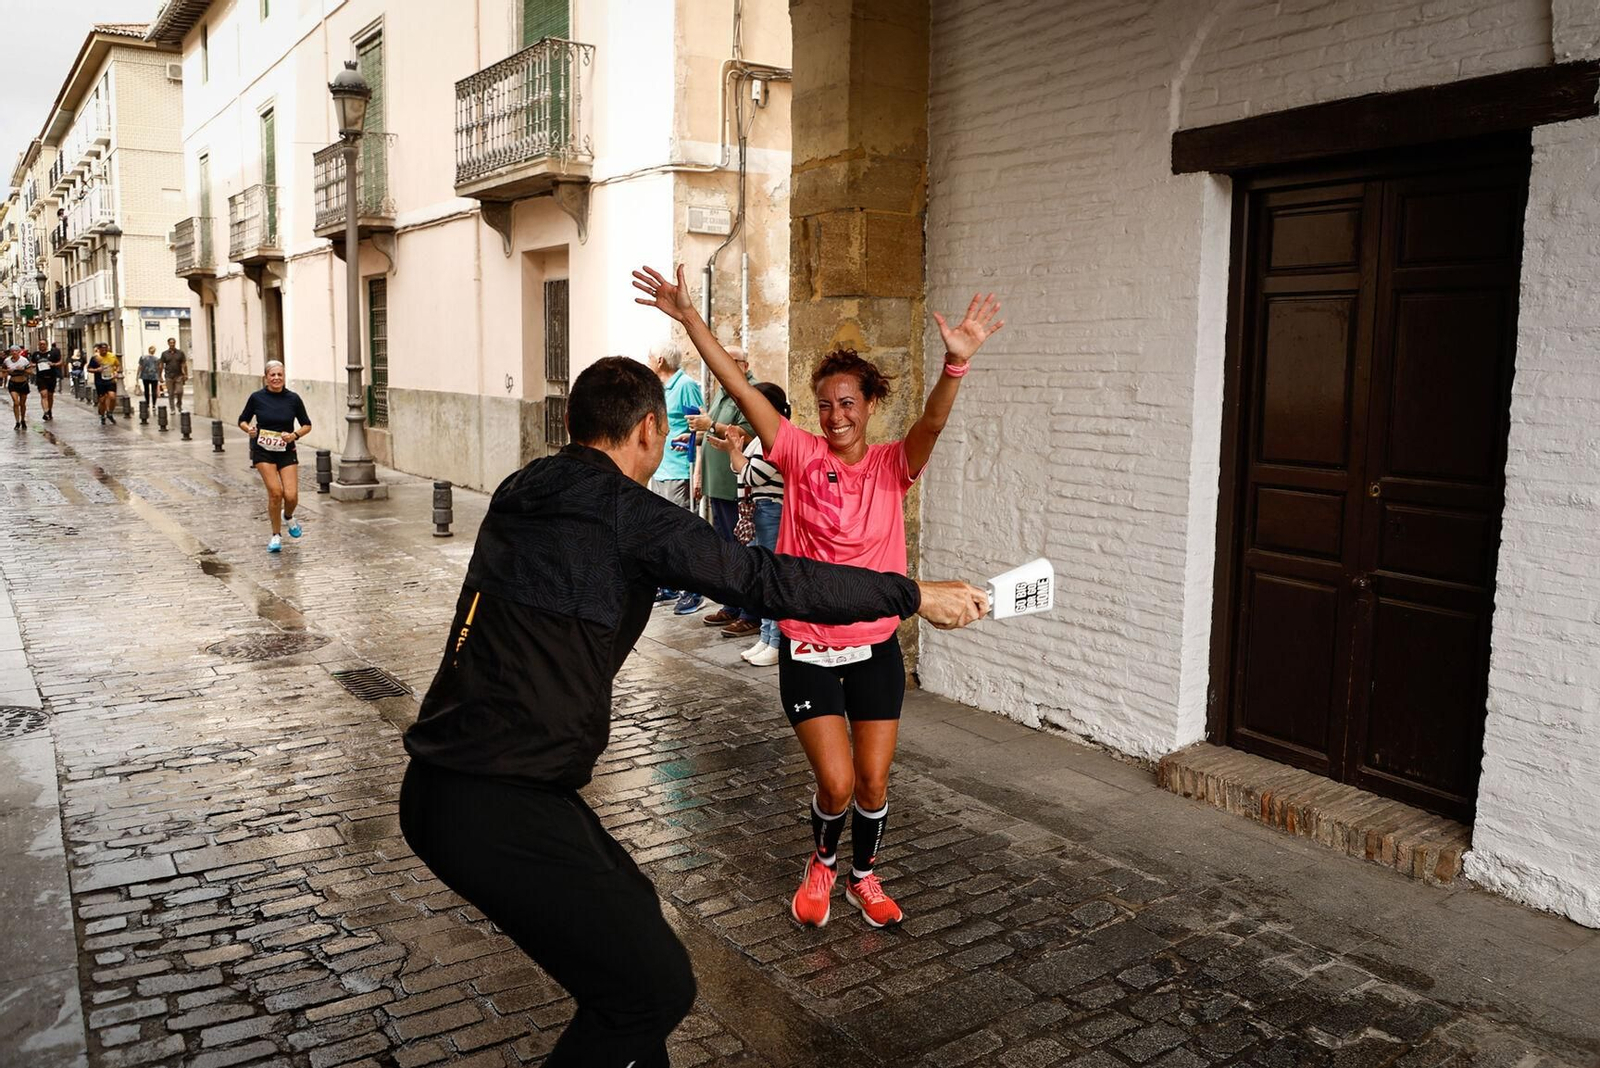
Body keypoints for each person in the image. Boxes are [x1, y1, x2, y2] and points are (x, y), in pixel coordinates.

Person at [399, 355, 987, 1068]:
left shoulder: (523, 487)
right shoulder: (630, 515)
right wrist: (911, 594)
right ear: (650, 429)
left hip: (448, 788)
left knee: (637, 926)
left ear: (573, 424)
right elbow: (766, 580)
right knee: (650, 992)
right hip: (495, 798)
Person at [635, 263, 1003, 929]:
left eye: (849, 404)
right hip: (809, 645)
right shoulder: (799, 455)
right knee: (835, 783)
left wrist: (955, 367)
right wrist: (690, 319)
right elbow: (741, 389)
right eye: (826, 404)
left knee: (873, 782)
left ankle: (862, 875)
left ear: (868, 407)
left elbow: (932, 427)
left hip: (873, 649)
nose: (836, 415)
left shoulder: (893, 467)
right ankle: (822, 862)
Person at [688, 346, 762, 640]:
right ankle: (731, 605)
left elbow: (749, 432)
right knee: (725, 550)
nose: (722, 369)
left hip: (737, 487)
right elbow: (713, 435)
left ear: (743, 365)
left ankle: (750, 613)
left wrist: (712, 425)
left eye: (730, 363)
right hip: (717, 486)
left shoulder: (751, 391)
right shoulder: (723, 391)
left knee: (742, 551)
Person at [716, 382, 789, 667]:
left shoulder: (777, 435)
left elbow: (751, 473)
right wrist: (736, 452)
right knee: (762, 577)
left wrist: (733, 450)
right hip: (761, 511)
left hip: (771, 511)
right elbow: (742, 469)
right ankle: (767, 636)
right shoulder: (762, 437)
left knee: (771, 578)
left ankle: (777, 641)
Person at [646, 347, 704, 612]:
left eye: (649, 357)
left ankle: (693, 589)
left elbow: (699, 425)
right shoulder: (662, 388)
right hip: (660, 469)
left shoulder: (686, 386)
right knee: (662, 532)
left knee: (682, 535)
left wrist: (697, 473)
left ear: (659, 360)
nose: (647, 361)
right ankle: (669, 585)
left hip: (680, 470)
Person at [237, 360, 311, 553]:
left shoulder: (293, 399)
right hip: (263, 450)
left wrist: (294, 435)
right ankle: (276, 535)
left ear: (284, 377)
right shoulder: (257, 398)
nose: (276, 378)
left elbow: (307, 424)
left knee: (291, 495)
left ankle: (288, 516)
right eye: (273, 375)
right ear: (266, 378)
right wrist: (249, 429)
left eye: (280, 375)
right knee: (276, 493)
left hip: (286, 450)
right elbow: (242, 420)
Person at [87, 343, 120, 425]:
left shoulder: (112, 356)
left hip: (110, 379)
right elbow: (89, 369)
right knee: (102, 400)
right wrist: (97, 370)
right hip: (100, 381)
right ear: (99, 349)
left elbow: (118, 365)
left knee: (112, 397)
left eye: (106, 349)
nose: (104, 351)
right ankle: (102, 415)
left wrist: (116, 372)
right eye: (102, 349)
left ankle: (110, 413)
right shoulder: (95, 358)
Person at [34, 342, 62, 421]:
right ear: (38, 345)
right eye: (40, 344)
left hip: (51, 377)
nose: (42, 345)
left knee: (50, 395)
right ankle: (45, 412)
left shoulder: (52, 354)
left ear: (47, 345)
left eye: (43, 344)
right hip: (40, 378)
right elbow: (32, 362)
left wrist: (53, 364)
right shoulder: (36, 354)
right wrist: (32, 365)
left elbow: (60, 362)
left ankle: (49, 410)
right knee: (44, 394)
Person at [4, 348, 31, 430]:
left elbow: (30, 371)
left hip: (23, 383)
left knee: (22, 404)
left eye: (16, 351)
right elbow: (2, 371)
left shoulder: (24, 360)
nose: (14, 352)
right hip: (13, 383)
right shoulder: (7, 361)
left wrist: (22, 369)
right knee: (16, 402)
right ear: (10, 352)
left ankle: (23, 420)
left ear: (19, 352)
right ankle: (17, 421)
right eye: (12, 351)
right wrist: (7, 370)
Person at [158, 337, 188, 411]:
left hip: (179, 375)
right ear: (168, 344)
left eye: (173, 343)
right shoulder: (164, 354)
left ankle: (179, 404)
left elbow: (184, 364)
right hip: (169, 376)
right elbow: (161, 365)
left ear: (175, 343)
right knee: (170, 393)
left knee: (180, 391)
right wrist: (160, 376)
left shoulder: (180, 353)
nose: (172, 344)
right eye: (170, 343)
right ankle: (172, 408)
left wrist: (186, 374)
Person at [138, 345, 160, 410]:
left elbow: (140, 366)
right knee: (154, 390)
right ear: (154, 351)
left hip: (145, 375)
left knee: (146, 390)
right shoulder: (157, 359)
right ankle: (153, 405)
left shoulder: (143, 358)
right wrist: (159, 376)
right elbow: (158, 368)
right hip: (154, 376)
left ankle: (147, 404)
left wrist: (138, 375)